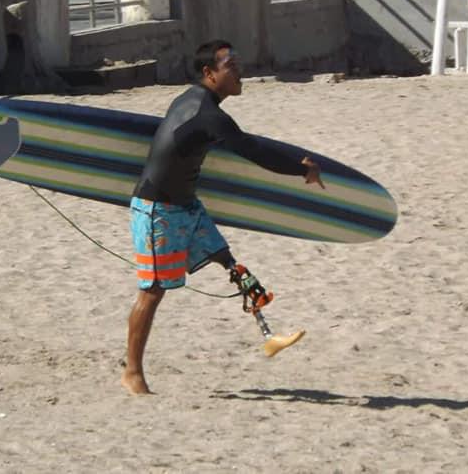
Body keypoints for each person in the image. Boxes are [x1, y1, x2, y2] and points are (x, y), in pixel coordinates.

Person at [122, 39, 325, 395]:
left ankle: (269, 334)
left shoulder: (196, 102)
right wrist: (300, 170)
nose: (239, 70)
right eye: (231, 66)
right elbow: (250, 149)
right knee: (152, 291)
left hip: (186, 205)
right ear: (209, 73)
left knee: (229, 262)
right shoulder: (206, 113)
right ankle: (132, 372)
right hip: (158, 211)